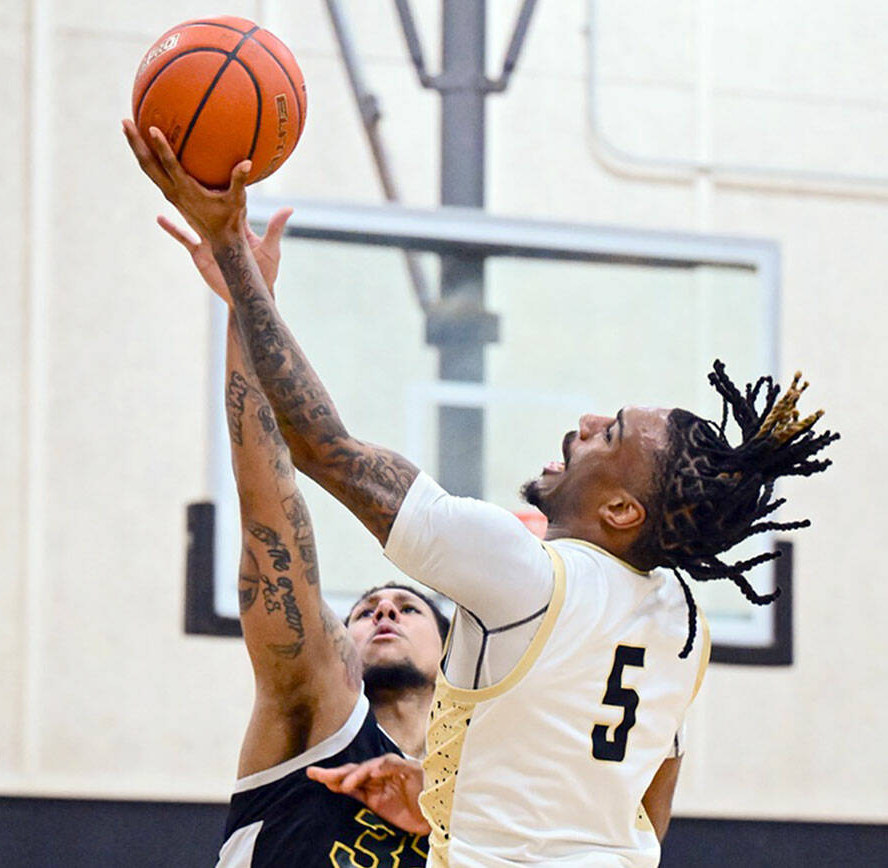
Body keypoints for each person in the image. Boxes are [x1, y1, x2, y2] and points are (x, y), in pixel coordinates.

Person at [124, 120, 839, 867]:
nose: (588, 422)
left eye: (610, 433)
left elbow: (324, 448)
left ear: (622, 511)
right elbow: (650, 808)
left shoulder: (524, 575)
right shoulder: (684, 625)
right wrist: (447, 794)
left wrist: (234, 253)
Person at [167, 206, 448, 866]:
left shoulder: (479, 801)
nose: (383, 611)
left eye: (408, 607)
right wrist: (247, 296)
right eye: (364, 610)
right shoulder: (320, 718)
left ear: (451, 651)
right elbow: (270, 512)